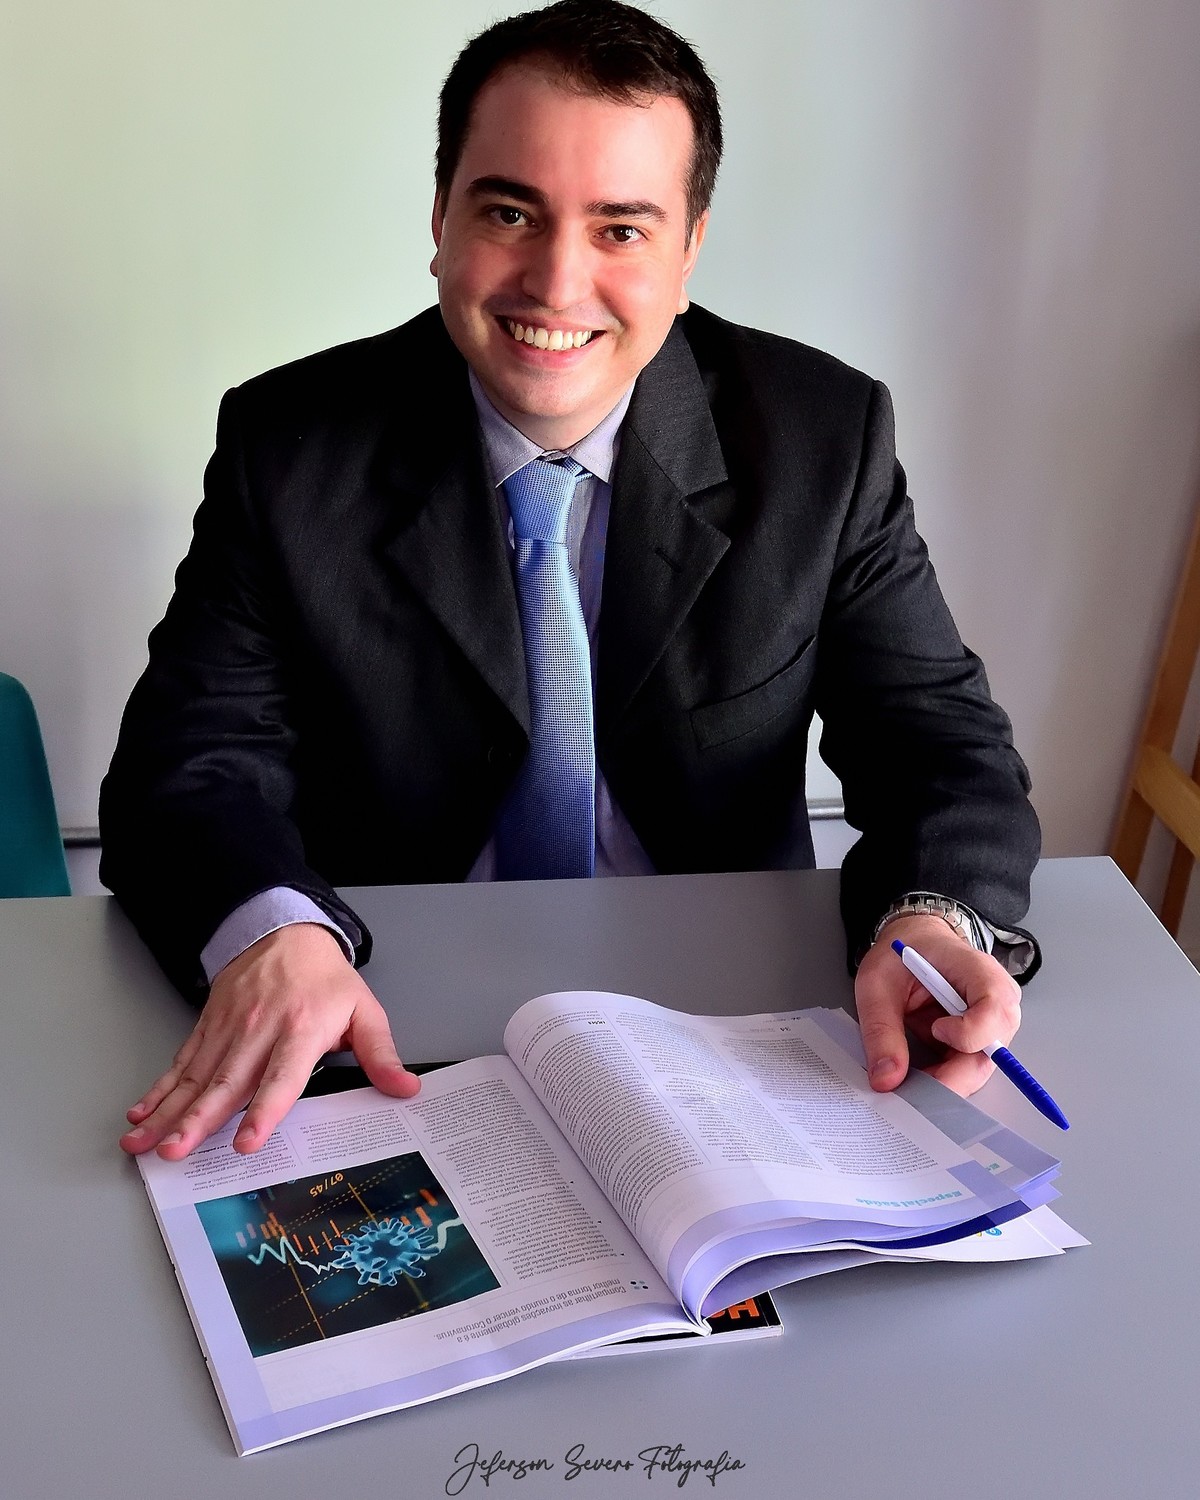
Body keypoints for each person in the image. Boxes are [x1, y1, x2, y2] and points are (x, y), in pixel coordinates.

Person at [103, 0, 1039, 1163]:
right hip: (385, 1020)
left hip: (728, 1027)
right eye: (510, 212)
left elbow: (938, 745)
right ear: (440, 217)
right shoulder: (289, 446)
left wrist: (933, 920)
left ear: (688, 251)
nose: (555, 282)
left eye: (621, 228)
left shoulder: (820, 440)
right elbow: (190, 772)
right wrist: (270, 933)